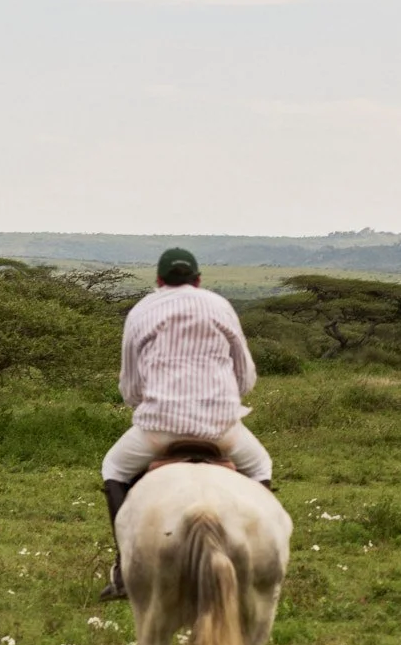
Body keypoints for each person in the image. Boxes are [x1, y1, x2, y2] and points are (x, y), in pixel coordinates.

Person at [98, 247, 273, 601]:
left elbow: (130, 386)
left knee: (113, 468)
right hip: (221, 428)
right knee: (260, 467)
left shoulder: (142, 310)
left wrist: (146, 405)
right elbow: (246, 377)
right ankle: (252, 558)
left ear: (159, 280)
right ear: (198, 279)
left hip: (159, 427)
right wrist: (225, 400)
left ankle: (127, 566)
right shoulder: (220, 306)